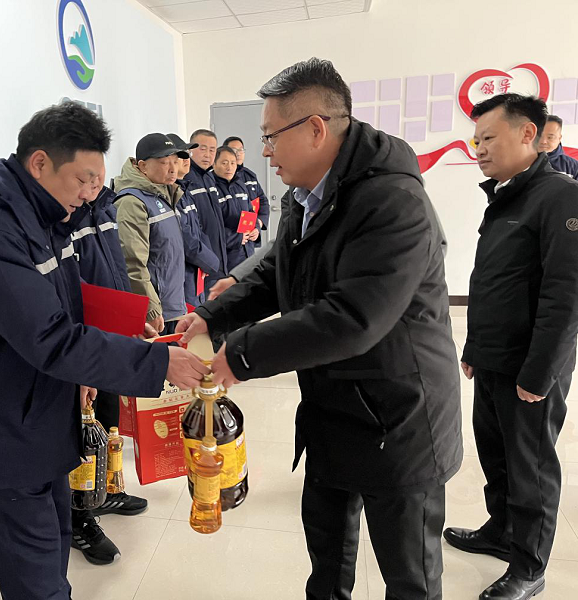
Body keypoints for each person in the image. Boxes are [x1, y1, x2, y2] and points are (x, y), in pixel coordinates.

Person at [177, 58, 462, 600]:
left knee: (410, 576)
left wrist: (241, 354)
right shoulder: (305, 193)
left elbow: (353, 317)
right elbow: (276, 271)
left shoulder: (393, 202)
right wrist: (214, 315)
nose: (264, 151)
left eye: (270, 136)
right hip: (332, 409)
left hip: (398, 417)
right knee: (327, 561)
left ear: (315, 129)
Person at [0, 102, 209, 600]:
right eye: (84, 179)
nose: (92, 193)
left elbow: (65, 300)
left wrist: (124, 327)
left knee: (54, 552)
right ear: (39, 163)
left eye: (98, 180)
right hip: (1, 435)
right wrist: (159, 362)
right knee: (37, 581)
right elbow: (50, 337)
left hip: (40, 415)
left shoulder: (43, 216)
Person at [443, 94, 578, 600]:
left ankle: (529, 566)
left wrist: (540, 372)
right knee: (496, 454)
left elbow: (566, 296)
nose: (478, 148)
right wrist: (474, 347)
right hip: (494, 358)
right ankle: (501, 531)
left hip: (530, 366)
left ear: (527, 134)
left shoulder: (560, 196)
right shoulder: (505, 196)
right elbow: (494, 281)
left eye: (488, 138)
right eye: (475, 139)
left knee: (531, 467)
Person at [59, 172, 150, 565]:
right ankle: (78, 517)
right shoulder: (62, 217)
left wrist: (132, 319)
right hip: (81, 342)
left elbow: (117, 270)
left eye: (99, 173)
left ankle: (107, 490)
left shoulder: (106, 207)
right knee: (81, 434)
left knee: (108, 422)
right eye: (86, 174)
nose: (95, 182)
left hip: (111, 334)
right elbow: (69, 292)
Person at [114, 133, 188, 335]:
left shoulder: (164, 193)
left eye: (175, 161)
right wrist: (151, 308)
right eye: (164, 162)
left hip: (173, 306)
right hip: (157, 313)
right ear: (143, 166)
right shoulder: (132, 202)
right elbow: (132, 262)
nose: (173, 168)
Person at [167, 133, 220, 307]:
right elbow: (186, 239)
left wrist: (209, 260)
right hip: (184, 274)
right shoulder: (169, 195)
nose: (186, 160)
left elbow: (198, 228)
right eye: (180, 156)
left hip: (198, 270)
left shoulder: (184, 190)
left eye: (186, 155)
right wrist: (211, 262)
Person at [184, 129, 228, 290]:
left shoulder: (209, 177)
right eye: (202, 149)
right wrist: (208, 260)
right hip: (202, 263)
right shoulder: (186, 179)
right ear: (190, 149)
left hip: (217, 258)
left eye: (212, 150)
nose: (208, 155)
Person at [212, 146, 258, 271]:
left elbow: (250, 211)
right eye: (224, 163)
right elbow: (211, 226)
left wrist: (256, 229)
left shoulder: (240, 184)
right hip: (227, 256)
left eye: (233, 163)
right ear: (214, 164)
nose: (229, 167)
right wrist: (236, 238)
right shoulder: (211, 189)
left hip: (247, 251)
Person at [223, 135, 270, 245]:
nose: (238, 153)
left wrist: (259, 223)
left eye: (241, 150)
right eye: (234, 150)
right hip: (230, 239)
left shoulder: (250, 176)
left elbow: (263, 201)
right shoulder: (221, 177)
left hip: (250, 235)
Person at [538, 114, 578, 179]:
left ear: (559, 138)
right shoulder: (522, 161)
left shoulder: (573, 166)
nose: (543, 141)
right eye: (539, 136)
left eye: (550, 137)